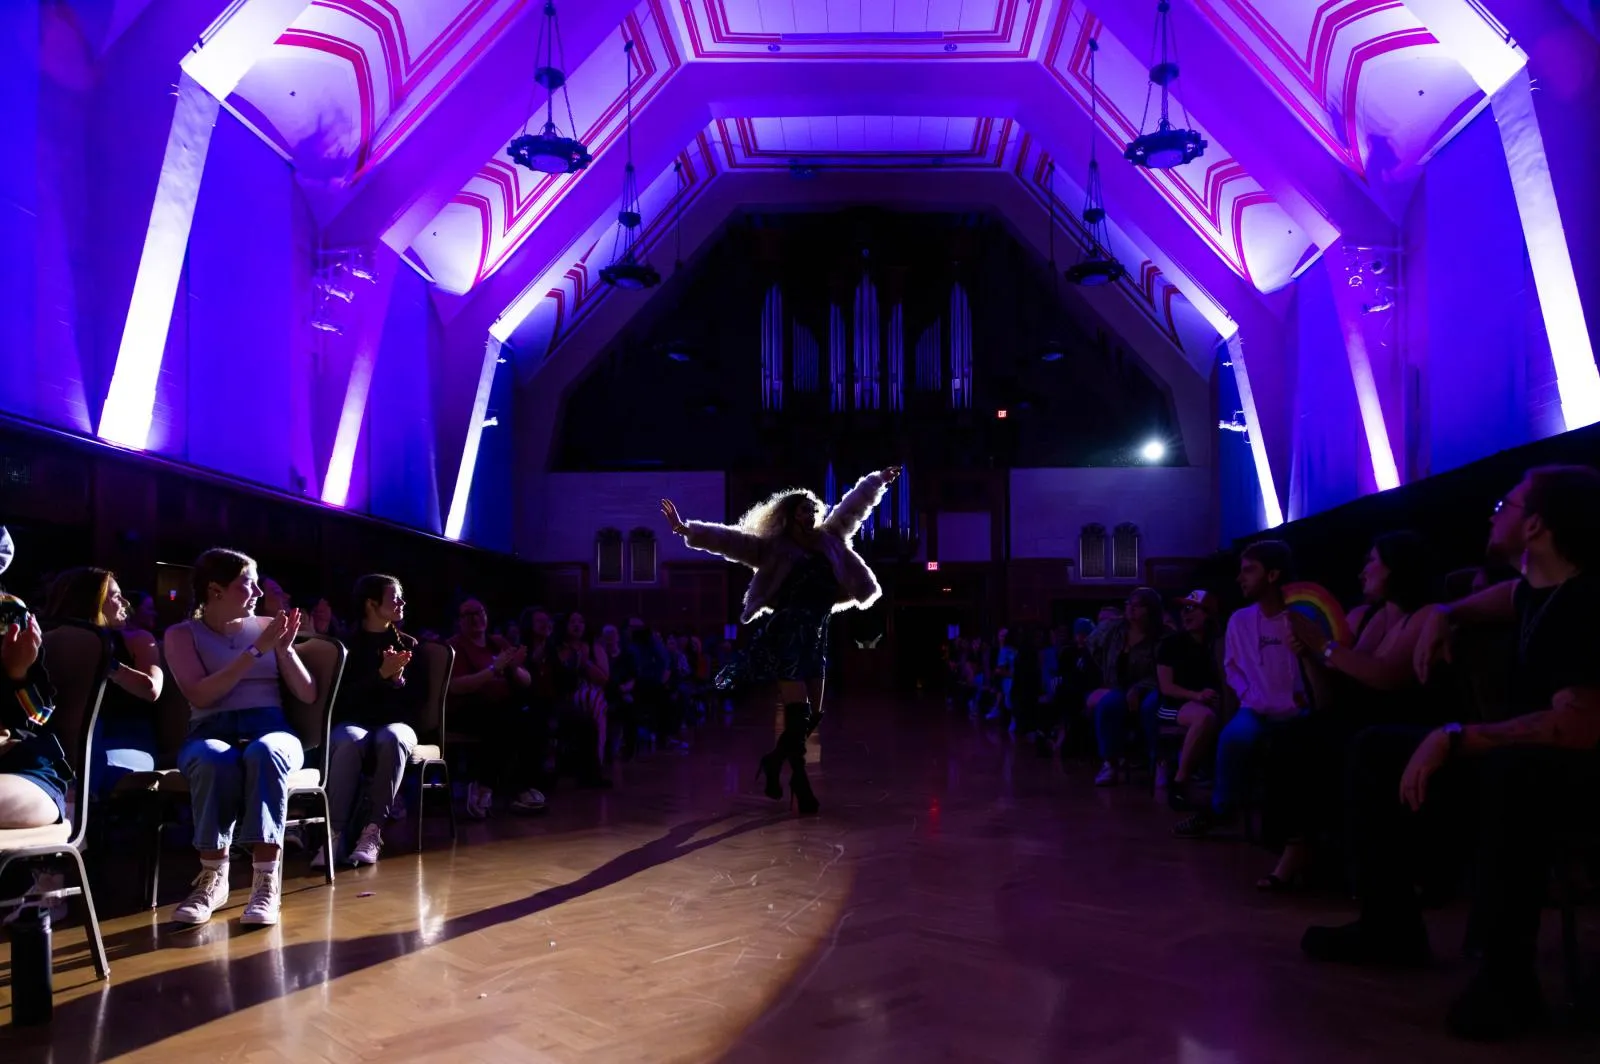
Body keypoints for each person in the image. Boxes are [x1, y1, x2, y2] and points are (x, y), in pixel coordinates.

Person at [1302, 466, 1600, 1042]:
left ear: (1535, 526)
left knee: (1514, 772)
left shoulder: (1588, 601)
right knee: (1376, 749)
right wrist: (1447, 611)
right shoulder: (1533, 592)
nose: (1493, 513)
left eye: (1506, 505)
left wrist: (1457, 736)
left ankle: (1508, 981)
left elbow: (1577, 725)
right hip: (1530, 761)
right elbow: (1501, 599)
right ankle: (1389, 926)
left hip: (1578, 772)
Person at [662, 466, 902, 815]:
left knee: (814, 714)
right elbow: (731, 542)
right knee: (797, 713)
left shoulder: (830, 539)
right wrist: (687, 530)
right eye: (805, 510)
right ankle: (799, 782)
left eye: (814, 510)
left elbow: (853, 508)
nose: (812, 515)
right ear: (790, 515)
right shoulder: (772, 549)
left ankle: (774, 761)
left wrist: (877, 480)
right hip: (786, 634)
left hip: (817, 635)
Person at [163, 549, 316, 926]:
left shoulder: (268, 627)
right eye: (248, 584)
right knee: (213, 759)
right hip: (210, 728)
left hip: (271, 726)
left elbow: (307, 693)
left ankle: (266, 881)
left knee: (265, 752)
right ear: (215, 590)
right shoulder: (182, 634)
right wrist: (255, 652)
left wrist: (283, 651)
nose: (259, 593)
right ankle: (214, 877)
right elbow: (200, 695)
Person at [1174, 541, 1316, 837]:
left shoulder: (1301, 618)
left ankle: (1292, 827)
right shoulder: (1240, 620)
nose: (1240, 578)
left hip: (1299, 712)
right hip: (1254, 709)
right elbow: (1232, 666)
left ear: (1272, 575)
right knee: (1232, 738)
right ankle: (1221, 810)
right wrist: (1247, 695)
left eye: (1249, 570)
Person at [314, 574, 423, 869]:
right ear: (371, 604)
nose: (401, 602)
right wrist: (380, 676)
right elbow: (339, 700)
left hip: (396, 723)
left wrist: (397, 682)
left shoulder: (408, 645)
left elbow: (419, 703)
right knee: (348, 740)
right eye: (394, 597)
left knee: (392, 738)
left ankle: (372, 831)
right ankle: (334, 835)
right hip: (355, 720)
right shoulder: (344, 645)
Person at [44, 568, 166, 798]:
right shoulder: (53, 639)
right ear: (92, 601)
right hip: (70, 739)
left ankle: (77, 805)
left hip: (126, 737)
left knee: (90, 750)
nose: (125, 602)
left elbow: (151, 689)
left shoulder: (137, 639)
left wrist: (107, 664)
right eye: (116, 596)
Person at [1086, 587, 1165, 786]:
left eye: (1138, 605)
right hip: (1120, 687)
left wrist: (1139, 688)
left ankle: (1159, 762)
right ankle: (1110, 763)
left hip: (1152, 686)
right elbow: (1092, 642)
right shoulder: (1117, 630)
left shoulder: (1162, 636)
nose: (1131, 609)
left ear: (1151, 609)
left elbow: (1163, 671)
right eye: (1129, 604)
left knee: (1151, 706)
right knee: (1108, 705)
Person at [1154, 590, 1222, 810]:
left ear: (1208, 613)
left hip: (1209, 701)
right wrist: (1197, 695)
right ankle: (1179, 782)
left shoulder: (1218, 644)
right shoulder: (1171, 644)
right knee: (1204, 717)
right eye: (1183, 608)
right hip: (1172, 705)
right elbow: (1167, 687)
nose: (1184, 613)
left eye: (1191, 608)